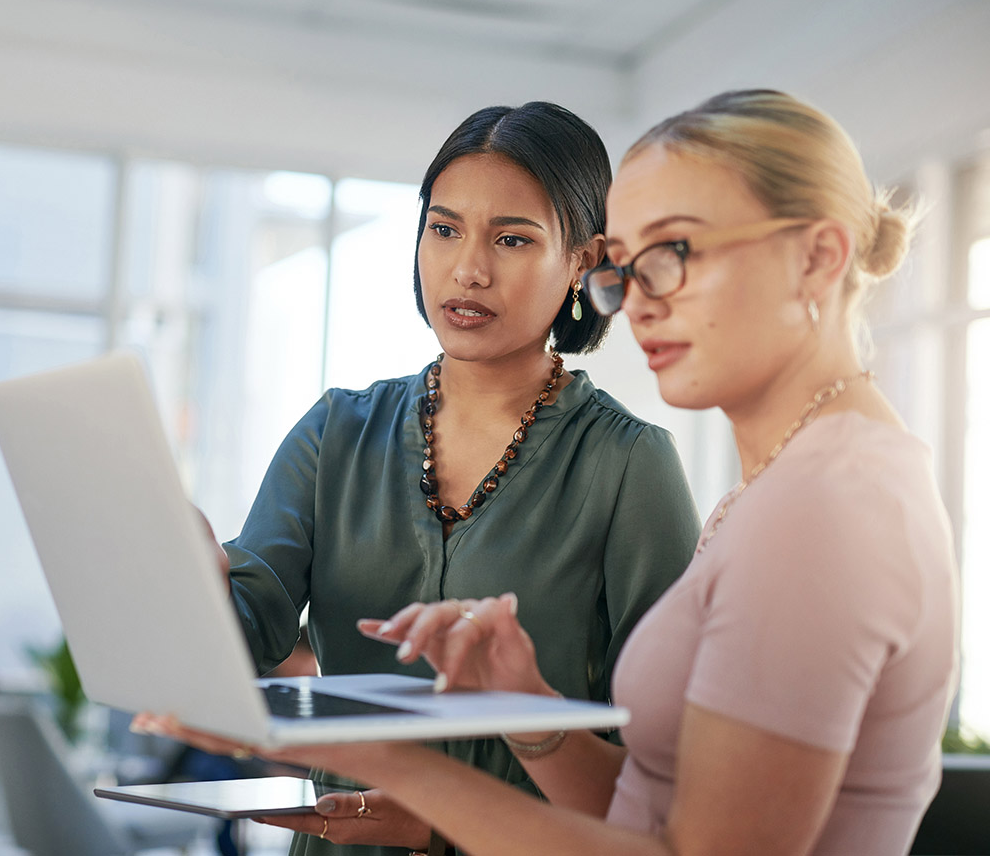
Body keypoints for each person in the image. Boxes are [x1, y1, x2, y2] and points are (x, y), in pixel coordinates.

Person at [146, 89, 961, 856]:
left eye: (672, 253)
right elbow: (652, 797)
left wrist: (400, 776)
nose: (638, 299)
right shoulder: (789, 491)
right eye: (632, 265)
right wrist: (529, 711)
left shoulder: (811, 503)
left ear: (574, 264)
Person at [192, 101, 701, 856]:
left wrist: (444, 829)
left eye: (513, 238)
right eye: (444, 227)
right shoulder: (337, 433)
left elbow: (664, 770)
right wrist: (189, 582)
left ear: (585, 263)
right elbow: (247, 629)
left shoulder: (629, 466)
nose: (467, 268)